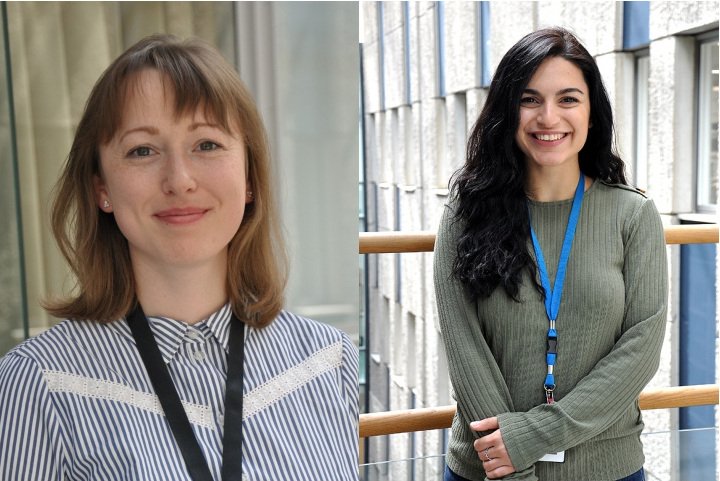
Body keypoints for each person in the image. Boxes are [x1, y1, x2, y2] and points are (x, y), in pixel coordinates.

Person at [0, 34, 358, 481]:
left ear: (249, 177)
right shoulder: (39, 382)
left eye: (206, 144)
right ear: (102, 189)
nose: (180, 179)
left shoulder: (328, 360)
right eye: (142, 151)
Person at [434, 27, 667, 481]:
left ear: (592, 114)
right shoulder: (466, 213)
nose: (548, 117)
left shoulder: (633, 215)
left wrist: (531, 438)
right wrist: (510, 466)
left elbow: (641, 349)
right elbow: (463, 347)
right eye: (529, 99)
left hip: (607, 469)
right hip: (487, 471)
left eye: (568, 99)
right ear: (507, 110)